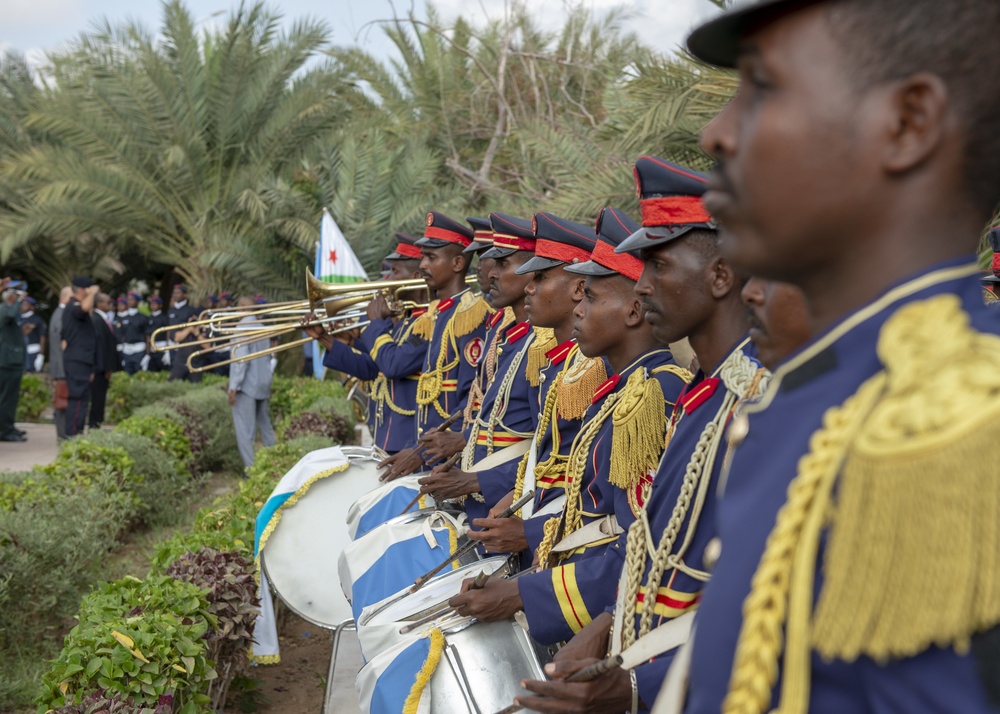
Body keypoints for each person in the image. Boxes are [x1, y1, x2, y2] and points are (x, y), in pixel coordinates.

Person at [676, 1, 1000, 713]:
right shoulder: (823, 387)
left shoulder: (964, 432)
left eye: (762, 87)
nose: (717, 132)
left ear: (908, 124)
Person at [511, 156, 765, 714]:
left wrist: (634, 683)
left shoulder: (754, 402)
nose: (643, 286)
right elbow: (657, 545)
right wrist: (608, 630)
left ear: (720, 276)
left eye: (658, 267)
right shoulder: (706, 391)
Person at [416, 212, 548, 525]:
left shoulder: (540, 348)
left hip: (511, 512)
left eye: (502, 263)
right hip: (483, 497)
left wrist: (476, 481)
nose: (489, 274)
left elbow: (549, 452)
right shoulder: (510, 336)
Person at [377, 211, 489, 480]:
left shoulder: (469, 315)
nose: (423, 265)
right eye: (423, 257)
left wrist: (422, 452)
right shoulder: (435, 315)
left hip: (450, 461)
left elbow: (470, 398)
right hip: (429, 455)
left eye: (431, 257)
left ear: (458, 263)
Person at [304, 233, 426, 454]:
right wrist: (326, 338)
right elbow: (372, 368)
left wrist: (375, 324)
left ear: (416, 276)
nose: (388, 281)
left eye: (395, 273)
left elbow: (392, 365)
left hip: (409, 439)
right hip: (388, 433)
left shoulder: (427, 322)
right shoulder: (407, 321)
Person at [228, 295, 276, 469]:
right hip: (262, 383)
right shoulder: (262, 327)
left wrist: (234, 387)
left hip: (246, 386)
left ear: (241, 307)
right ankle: (275, 462)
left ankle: (251, 471)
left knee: (245, 431)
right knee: (266, 427)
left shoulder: (242, 328)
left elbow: (242, 361)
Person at [61, 276, 98, 437]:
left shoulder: (75, 308)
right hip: (77, 361)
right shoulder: (73, 306)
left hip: (82, 361)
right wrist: (93, 294)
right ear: (83, 290)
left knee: (82, 400)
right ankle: (72, 437)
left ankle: (76, 434)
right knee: (76, 400)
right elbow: (83, 308)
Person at [0, 279, 27, 442]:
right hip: (6, 363)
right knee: (6, 398)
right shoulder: (4, 309)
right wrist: (18, 300)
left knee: (10, 398)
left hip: (11, 363)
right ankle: (4, 430)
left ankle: (8, 426)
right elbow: (10, 313)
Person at [90, 293, 120, 429]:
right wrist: (106, 367)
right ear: (99, 304)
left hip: (103, 367)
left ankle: (97, 423)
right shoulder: (96, 320)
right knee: (97, 398)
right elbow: (100, 346)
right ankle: (94, 425)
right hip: (100, 368)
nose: (111, 305)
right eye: (108, 302)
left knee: (101, 398)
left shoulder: (104, 319)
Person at [49, 286, 72, 441]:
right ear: (64, 297)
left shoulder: (60, 313)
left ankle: (64, 434)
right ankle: (63, 436)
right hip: (63, 365)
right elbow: (63, 341)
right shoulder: (62, 314)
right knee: (62, 402)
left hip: (61, 364)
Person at [167, 284, 201, 382]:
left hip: (185, 347)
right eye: (174, 293)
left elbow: (193, 327)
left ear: (184, 294)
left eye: (178, 293)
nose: (175, 295)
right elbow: (169, 329)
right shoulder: (171, 310)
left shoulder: (190, 310)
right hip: (172, 346)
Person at [116, 292, 149, 375]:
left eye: (132, 299)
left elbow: (147, 336)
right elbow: (123, 335)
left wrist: (148, 354)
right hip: (127, 350)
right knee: (127, 374)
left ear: (137, 302)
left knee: (139, 374)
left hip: (139, 349)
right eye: (128, 299)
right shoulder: (124, 317)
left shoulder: (143, 317)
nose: (129, 301)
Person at [19, 297, 46, 373]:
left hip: (33, 351)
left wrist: (41, 355)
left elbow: (42, 337)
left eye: (25, 304)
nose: (22, 306)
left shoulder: (37, 319)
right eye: (22, 304)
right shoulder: (18, 318)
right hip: (20, 352)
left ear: (32, 307)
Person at [146, 295, 168, 372]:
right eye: (152, 303)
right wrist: (147, 353)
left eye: (155, 303)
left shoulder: (164, 318)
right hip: (152, 349)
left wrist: (168, 350)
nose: (153, 305)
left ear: (160, 305)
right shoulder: (149, 318)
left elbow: (168, 333)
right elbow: (148, 336)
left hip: (162, 348)